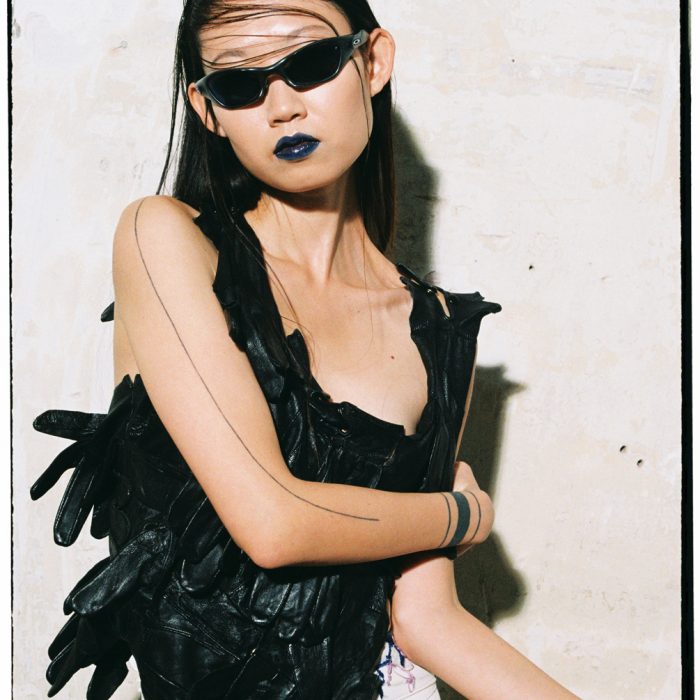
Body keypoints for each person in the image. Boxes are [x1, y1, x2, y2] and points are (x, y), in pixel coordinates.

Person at [29, 1, 579, 698]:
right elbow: (271, 523)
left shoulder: (436, 326)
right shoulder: (165, 240)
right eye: (239, 83)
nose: (282, 107)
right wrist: (461, 514)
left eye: (310, 63)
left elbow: (426, 619)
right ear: (207, 111)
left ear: (373, 62)